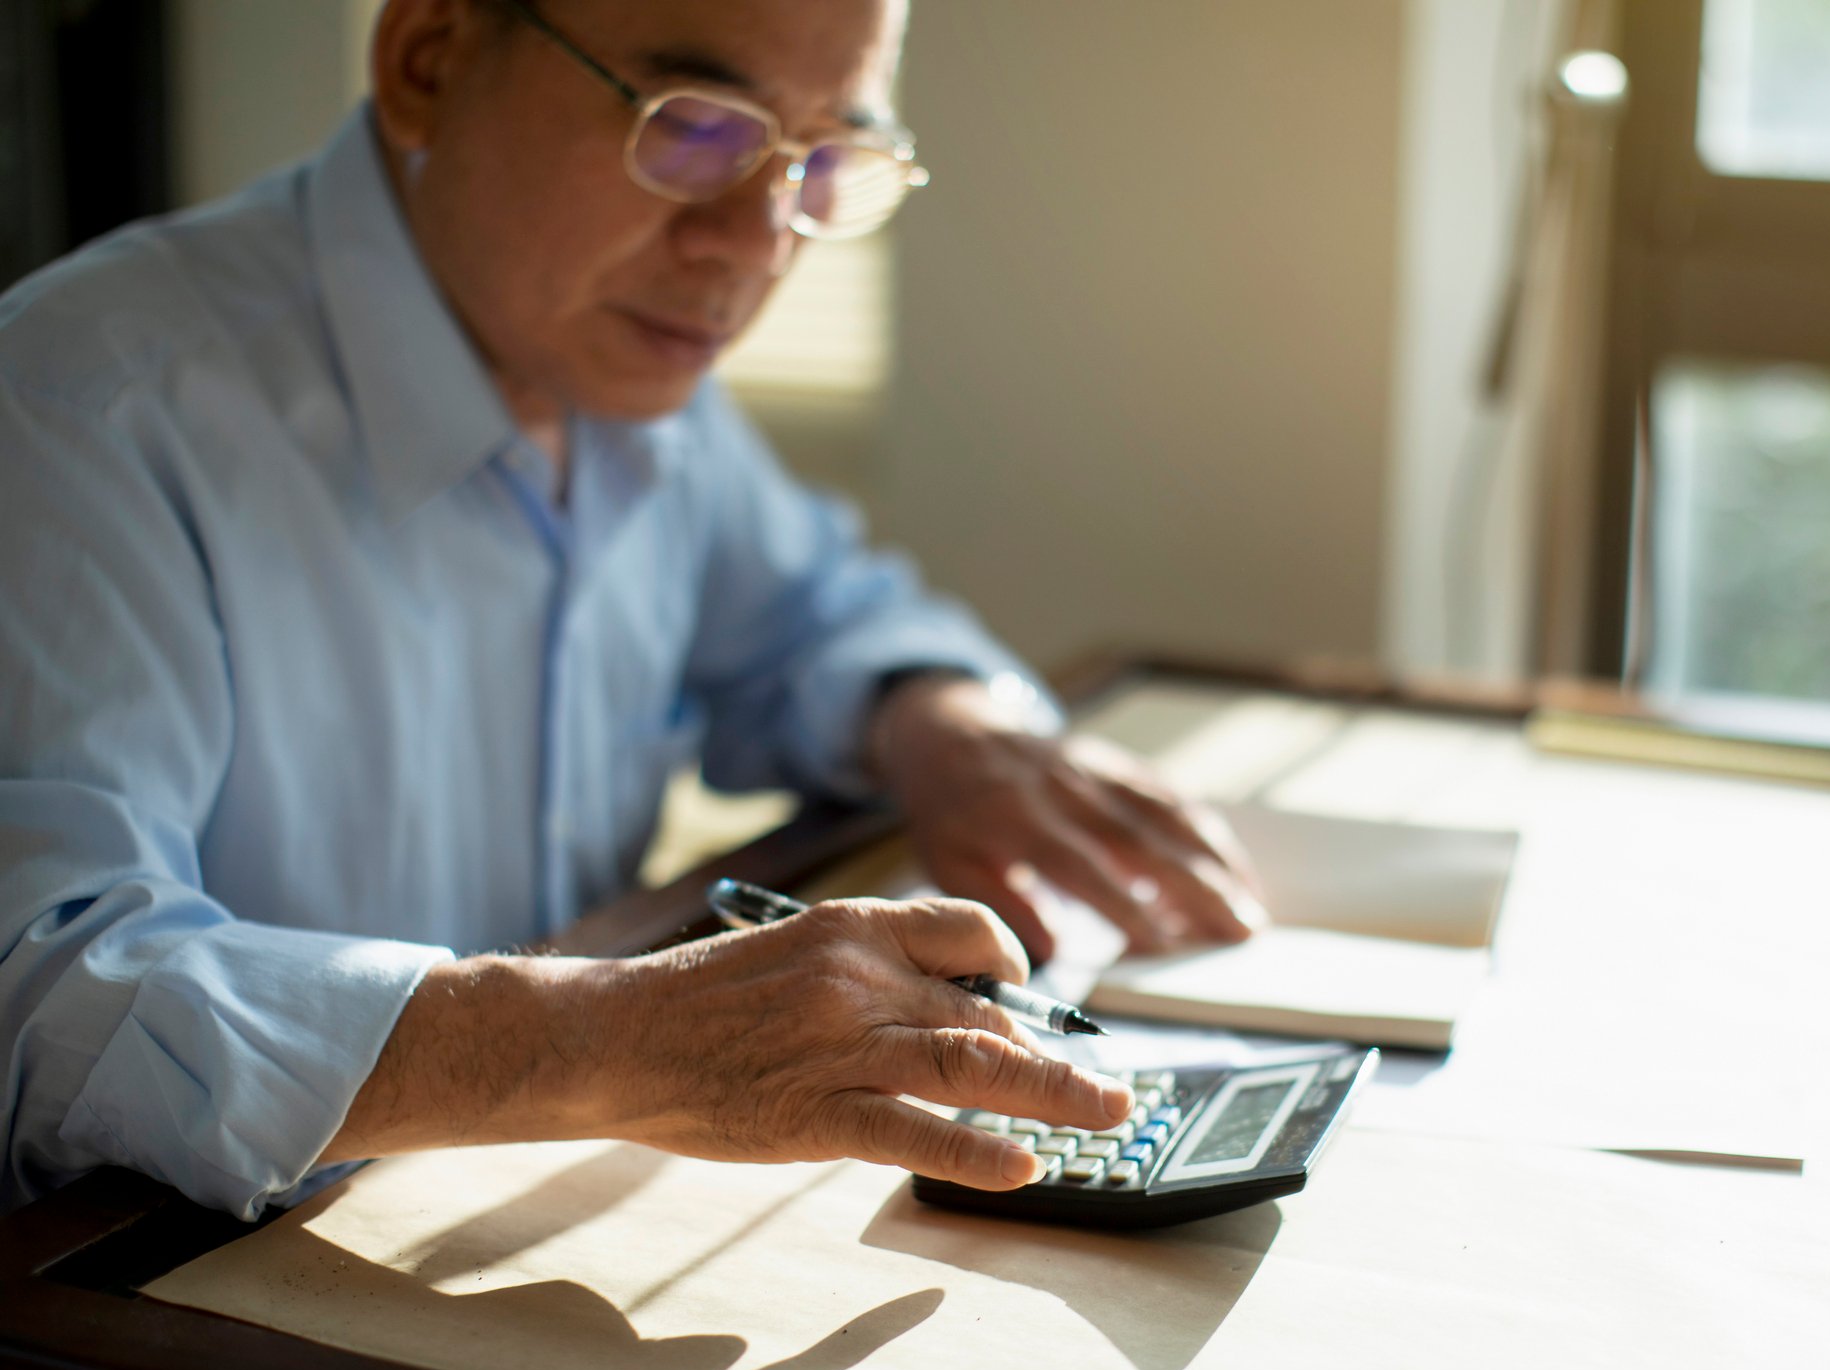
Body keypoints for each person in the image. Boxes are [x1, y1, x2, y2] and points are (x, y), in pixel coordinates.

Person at [0, 0, 1266, 1220]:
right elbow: (42, 990)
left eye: (822, 161)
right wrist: (608, 1037)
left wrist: (943, 724)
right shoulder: (78, 414)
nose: (758, 240)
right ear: (429, 56)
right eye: (695, 126)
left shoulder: (611, 362)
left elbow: (820, 616)